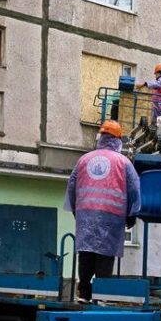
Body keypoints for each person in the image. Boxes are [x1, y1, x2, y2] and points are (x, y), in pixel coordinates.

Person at [64, 120, 141, 302]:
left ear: (101, 137)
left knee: (86, 251)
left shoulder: (83, 160)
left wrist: (76, 209)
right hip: (111, 214)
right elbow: (134, 188)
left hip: (86, 213)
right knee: (105, 253)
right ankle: (101, 295)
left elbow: (72, 185)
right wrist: (132, 213)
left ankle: (84, 293)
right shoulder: (123, 162)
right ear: (118, 140)